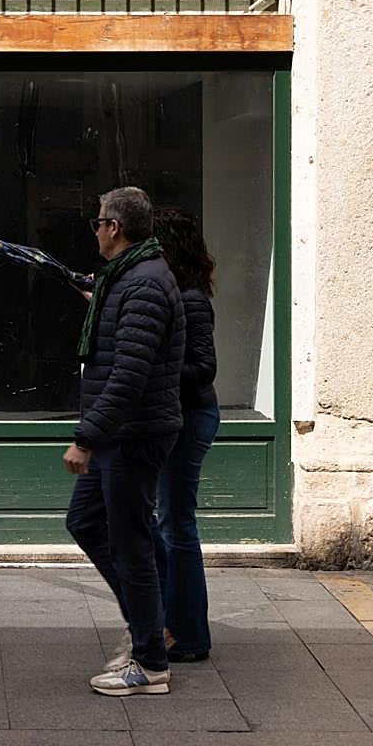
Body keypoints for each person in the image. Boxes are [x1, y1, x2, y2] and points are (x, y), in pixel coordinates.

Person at [63, 186, 184, 697]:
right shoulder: (128, 278)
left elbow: (128, 376)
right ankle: (147, 626)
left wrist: (85, 438)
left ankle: (151, 662)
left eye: (97, 222)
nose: (94, 230)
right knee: (86, 521)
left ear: (113, 227)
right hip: (123, 433)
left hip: (132, 436)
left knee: (132, 546)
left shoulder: (146, 284)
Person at [151, 207, 219, 663]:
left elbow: (203, 369)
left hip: (189, 418)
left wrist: (153, 369)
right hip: (173, 418)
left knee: (177, 525)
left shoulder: (190, 298)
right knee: (167, 522)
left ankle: (189, 635)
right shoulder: (170, 292)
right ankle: (172, 623)